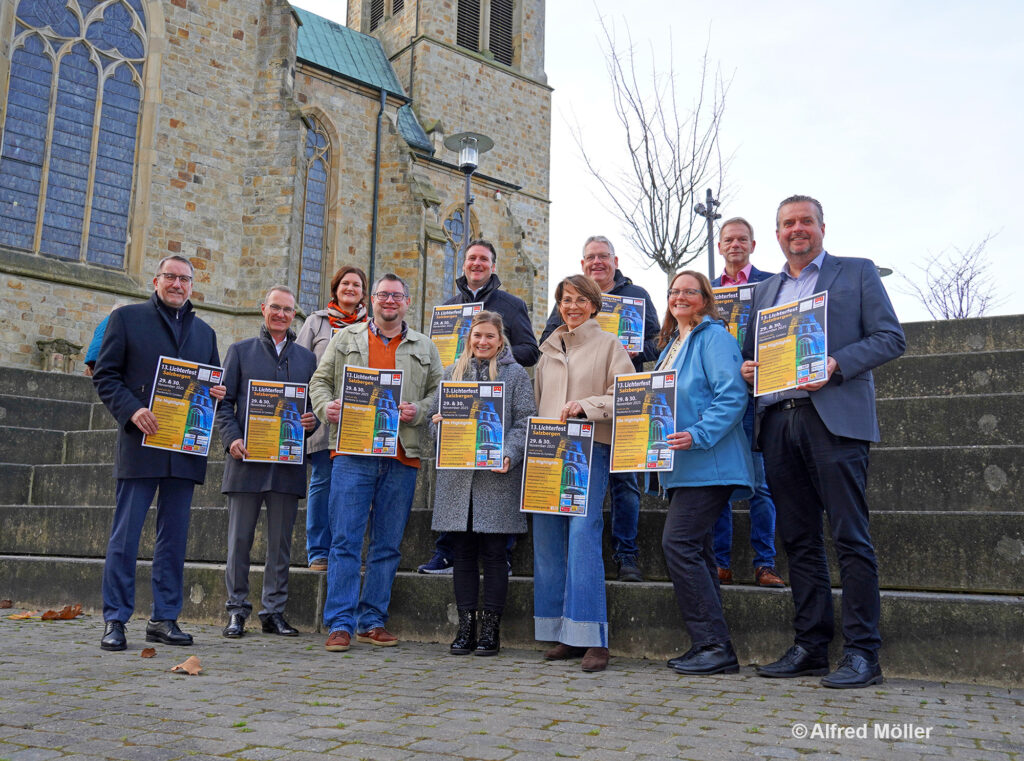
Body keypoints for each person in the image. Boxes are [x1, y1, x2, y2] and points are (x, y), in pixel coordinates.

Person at [741, 195, 906, 689]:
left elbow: (890, 337)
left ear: (822, 227)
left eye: (805, 222)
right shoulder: (765, 290)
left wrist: (835, 363)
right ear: (776, 235)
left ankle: (862, 654)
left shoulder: (856, 273)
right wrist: (749, 369)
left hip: (833, 419)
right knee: (798, 540)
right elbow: (752, 357)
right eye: (788, 223)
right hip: (778, 421)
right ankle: (811, 646)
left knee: (850, 537)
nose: (797, 229)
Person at [92, 255, 226, 651]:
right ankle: (115, 619)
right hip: (141, 444)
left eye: (185, 279)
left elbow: (214, 385)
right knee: (125, 537)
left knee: (173, 540)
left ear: (192, 286)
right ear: (156, 280)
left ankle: (164, 618)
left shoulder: (205, 333)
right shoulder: (127, 319)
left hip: (184, 451)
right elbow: (105, 374)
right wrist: (132, 410)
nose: (178, 285)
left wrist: (217, 394)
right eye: (171, 277)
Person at [309, 274, 443, 652]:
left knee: (387, 544)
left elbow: (439, 391)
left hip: (401, 454)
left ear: (407, 301)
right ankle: (340, 623)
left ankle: (372, 620)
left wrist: (419, 410)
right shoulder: (345, 338)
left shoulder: (424, 346)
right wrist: (326, 406)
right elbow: (319, 382)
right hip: (352, 453)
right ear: (373, 299)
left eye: (396, 296)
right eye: (383, 295)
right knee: (345, 541)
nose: (389, 301)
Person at [538, 236, 660, 582]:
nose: (597, 262)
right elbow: (552, 337)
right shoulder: (569, 297)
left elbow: (656, 340)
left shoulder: (637, 297)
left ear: (615, 260)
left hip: (618, 402)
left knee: (625, 484)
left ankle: (626, 555)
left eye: (603, 256)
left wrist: (633, 351)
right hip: (571, 417)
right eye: (590, 257)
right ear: (583, 263)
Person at [418, 238, 539, 575]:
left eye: (483, 259)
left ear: (493, 265)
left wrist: (498, 367)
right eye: (471, 258)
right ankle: (446, 550)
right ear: (463, 264)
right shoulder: (449, 306)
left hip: (497, 415)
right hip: (460, 419)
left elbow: (531, 349)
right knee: (457, 487)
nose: (476, 264)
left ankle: (504, 553)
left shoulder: (511, 305)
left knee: (494, 501)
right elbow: (441, 364)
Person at [655, 270, 754, 676]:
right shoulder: (671, 346)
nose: (681, 297)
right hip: (683, 468)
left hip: (709, 463)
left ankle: (714, 644)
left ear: (705, 299)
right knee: (698, 551)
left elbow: (732, 395)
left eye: (690, 292)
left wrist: (697, 434)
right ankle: (712, 646)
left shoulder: (713, 337)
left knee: (678, 545)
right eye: (675, 291)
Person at [533, 274, 634, 673]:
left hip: (589, 449)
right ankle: (565, 632)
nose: (571, 306)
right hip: (548, 453)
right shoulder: (547, 350)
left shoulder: (609, 344)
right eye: (565, 299)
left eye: (579, 299)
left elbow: (625, 396)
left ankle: (594, 637)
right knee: (547, 538)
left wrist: (586, 406)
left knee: (582, 534)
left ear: (593, 304)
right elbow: (541, 401)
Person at [428, 311, 536, 656]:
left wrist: (509, 452)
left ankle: (491, 629)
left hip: (496, 478)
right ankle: (466, 627)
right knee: (462, 555)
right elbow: (432, 426)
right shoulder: (451, 374)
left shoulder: (516, 375)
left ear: (500, 339)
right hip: (458, 480)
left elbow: (525, 421)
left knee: (493, 555)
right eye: (477, 336)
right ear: (468, 338)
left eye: (489, 336)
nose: (482, 342)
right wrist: (439, 424)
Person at [216, 286, 319, 639]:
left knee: (280, 545)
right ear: (263, 309)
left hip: (287, 465)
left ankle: (273, 612)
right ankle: (236, 611)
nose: (280, 314)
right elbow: (223, 404)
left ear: (295, 315)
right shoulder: (240, 351)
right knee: (238, 542)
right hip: (246, 461)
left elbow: (314, 409)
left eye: (287, 310)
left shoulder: (307, 359)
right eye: (275, 307)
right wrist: (231, 439)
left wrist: (312, 422)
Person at [710, 218, 785, 589]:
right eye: (729, 239)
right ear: (719, 245)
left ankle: (764, 564)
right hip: (720, 399)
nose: (735, 245)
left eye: (742, 239)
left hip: (760, 395)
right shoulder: (705, 291)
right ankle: (721, 563)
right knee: (720, 481)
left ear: (753, 245)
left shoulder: (773, 285)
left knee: (761, 483)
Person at [296, 265, 369, 572]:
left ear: (364, 292)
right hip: (323, 416)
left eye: (357, 284)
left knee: (356, 487)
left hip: (361, 421)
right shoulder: (316, 321)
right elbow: (299, 365)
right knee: (322, 483)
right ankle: (318, 552)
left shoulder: (373, 324)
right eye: (346, 283)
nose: (351, 288)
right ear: (336, 288)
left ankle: (348, 550)